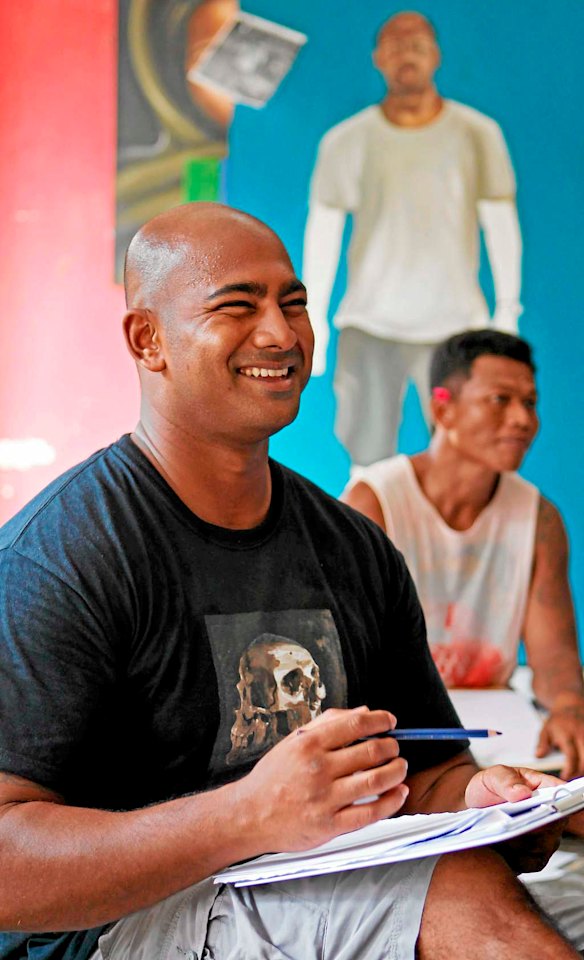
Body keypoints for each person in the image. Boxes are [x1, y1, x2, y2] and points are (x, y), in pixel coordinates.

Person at [0, 204, 580, 960]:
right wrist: (248, 816)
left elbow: (430, 772)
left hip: (311, 876)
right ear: (149, 340)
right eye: (238, 306)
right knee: (455, 894)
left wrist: (484, 801)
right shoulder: (60, 555)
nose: (281, 334)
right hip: (107, 933)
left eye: (295, 304)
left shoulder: (353, 548)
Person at [342, 329, 584, 780]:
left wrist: (570, 710)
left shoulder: (538, 518)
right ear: (442, 408)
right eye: (500, 399)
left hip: (502, 725)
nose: (522, 420)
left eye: (530, 403)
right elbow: (356, 664)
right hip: (405, 730)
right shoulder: (373, 502)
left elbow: (555, 661)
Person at [302, 10, 522, 467]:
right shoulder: (347, 140)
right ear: (378, 58)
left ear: (436, 57)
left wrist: (506, 310)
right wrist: (314, 318)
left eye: (418, 46)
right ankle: (367, 541)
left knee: (463, 455)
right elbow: (324, 231)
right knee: (366, 456)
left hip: (455, 326)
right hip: (370, 323)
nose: (407, 56)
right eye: (396, 46)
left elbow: (500, 224)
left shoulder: (477, 135)